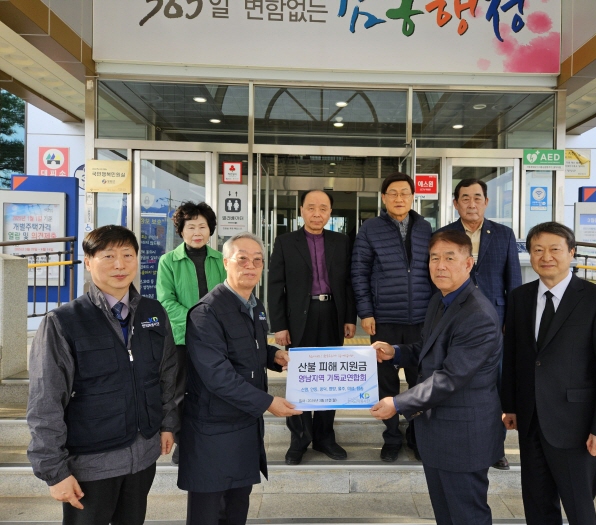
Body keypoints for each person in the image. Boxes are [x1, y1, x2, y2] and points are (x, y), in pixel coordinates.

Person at [27, 225, 178, 525]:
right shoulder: (63, 322)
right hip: (91, 464)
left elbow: (167, 374)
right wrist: (54, 471)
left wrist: (168, 424)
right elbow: (46, 401)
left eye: (127, 255)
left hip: (143, 458)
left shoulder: (153, 313)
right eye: (108, 256)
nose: (120, 265)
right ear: (88, 261)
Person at [370, 230, 503, 525]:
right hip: (438, 434)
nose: (440, 265)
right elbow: (427, 349)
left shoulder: (477, 314)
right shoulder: (439, 301)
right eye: (434, 258)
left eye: (449, 258)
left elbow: (450, 377)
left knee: (467, 516)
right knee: (446, 515)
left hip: (463, 438)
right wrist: (395, 352)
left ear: (468, 263)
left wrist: (398, 403)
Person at [501, 222, 596, 525]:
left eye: (554, 249)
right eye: (537, 250)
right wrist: (511, 405)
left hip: (576, 426)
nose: (546, 257)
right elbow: (513, 356)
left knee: (579, 508)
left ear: (571, 253)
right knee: (537, 507)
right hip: (531, 421)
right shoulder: (520, 298)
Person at [177, 232, 302, 525]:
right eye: (242, 259)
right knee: (208, 513)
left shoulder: (255, 306)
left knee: (236, 509)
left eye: (257, 260)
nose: (250, 266)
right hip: (213, 430)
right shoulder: (206, 312)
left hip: (245, 425)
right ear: (225, 263)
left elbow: (248, 346)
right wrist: (268, 402)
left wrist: (273, 355)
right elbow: (217, 375)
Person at [436, 178, 521, 470]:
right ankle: (456, 440)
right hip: (454, 320)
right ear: (455, 203)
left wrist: (511, 321)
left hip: (494, 323)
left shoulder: (504, 234)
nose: (471, 204)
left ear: (486, 202)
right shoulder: (444, 235)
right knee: (457, 381)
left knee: (494, 387)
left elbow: (513, 281)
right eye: (465, 198)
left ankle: (495, 448)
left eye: (477, 198)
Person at [268, 190, 357, 465]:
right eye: (311, 207)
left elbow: (348, 283)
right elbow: (275, 286)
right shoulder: (285, 242)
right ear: (301, 210)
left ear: (330, 212)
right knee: (301, 378)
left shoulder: (341, 242)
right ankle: (299, 439)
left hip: (332, 314)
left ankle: (324, 437)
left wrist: (349, 318)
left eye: (323, 208)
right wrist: (279, 325)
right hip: (299, 319)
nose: (317, 213)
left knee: (330, 377)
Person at [351, 172, 432, 462]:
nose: (399, 198)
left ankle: (417, 436)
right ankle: (392, 437)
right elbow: (359, 272)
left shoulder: (425, 227)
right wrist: (366, 312)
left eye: (405, 193)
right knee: (386, 382)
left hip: (421, 318)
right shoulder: (371, 228)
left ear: (413, 197)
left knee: (419, 381)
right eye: (393, 193)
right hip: (384, 317)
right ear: (384, 198)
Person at [156, 201, 226, 464]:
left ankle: (210, 440)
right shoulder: (168, 261)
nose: (197, 232)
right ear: (181, 230)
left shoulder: (221, 260)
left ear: (210, 230)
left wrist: (214, 326)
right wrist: (197, 322)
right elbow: (166, 301)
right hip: (182, 337)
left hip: (217, 338)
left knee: (214, 389)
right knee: (181, 392)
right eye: (191, 227)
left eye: (202, 226)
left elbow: (229, 296)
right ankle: (182, 443)